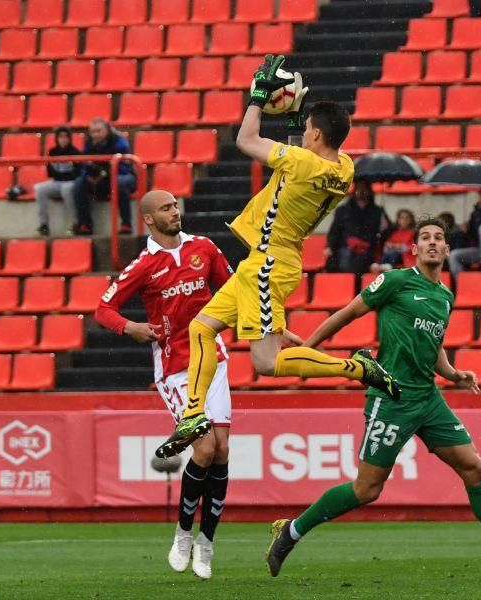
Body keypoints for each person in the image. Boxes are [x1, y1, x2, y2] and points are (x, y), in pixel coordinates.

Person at [264, 217, 481, 581]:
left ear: (447, 249)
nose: (432, 243)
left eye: (439, 239)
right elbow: (348, 313)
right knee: (366, 489)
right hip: (391, 396)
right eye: (425, 238)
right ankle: (290, 531)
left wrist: (453, 373)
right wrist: (307, 351)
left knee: (474, 467)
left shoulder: (445, 296)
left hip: (428, 398)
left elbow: (434, 349)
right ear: (414, 248)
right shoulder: (395, 281)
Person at [154, 55, 399, 460]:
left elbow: (246, 141)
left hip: (269, 263)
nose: (302, 134)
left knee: (266, 362)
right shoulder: (344, 168)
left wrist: (256, 99)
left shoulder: (303, 161)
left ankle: (356, 368)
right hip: (272, 260)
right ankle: (194, 414)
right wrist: (291, 124)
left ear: (317, 134)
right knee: (201, 328)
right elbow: (296, 168)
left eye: (306, 129)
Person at [94, 190, 234, 580]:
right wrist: (132, 327)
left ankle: (207, 544)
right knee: (203, 447)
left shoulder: (203, 248)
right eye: (166, 208)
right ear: (149, 220)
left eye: (176, 205)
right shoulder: (143, 265)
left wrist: (269, 327)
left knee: (221, 450)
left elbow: (233, 290)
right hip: (175, 366)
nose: (176, 212)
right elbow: (103, 309)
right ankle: (183, 533)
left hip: (215, 359)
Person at [73, 118, 137, 236]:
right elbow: (84, 164)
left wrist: (104, 174)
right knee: (79, 184)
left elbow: (125, 166)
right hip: (99, 180)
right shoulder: (88, 144)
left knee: (120, 183)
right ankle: (85, 225)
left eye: (99, 131)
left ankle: (126, 224)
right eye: (93, 132)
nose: (95, 135)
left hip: (122, 176)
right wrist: (88, 175)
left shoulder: (119, 142)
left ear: (107, 130)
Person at [325, 180, 389, 276]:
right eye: (359, 188)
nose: (361, 191)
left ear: (369, 191)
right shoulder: (343, 210)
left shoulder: (378, 211)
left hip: (368, 250)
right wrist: (329, 246)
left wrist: (386, 228)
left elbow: (387, 233)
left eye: (364, 188)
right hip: (345, 248)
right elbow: (334, 231)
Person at [34, 125, 81, 237]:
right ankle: (44, 224)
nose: (63, 139)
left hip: (70, 182)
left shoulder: (75, 152)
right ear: (56, 138)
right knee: (39, 188)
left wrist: (63, 175)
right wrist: (62, 175)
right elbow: (50, 173)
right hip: (57, 181)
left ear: (70, 138)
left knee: (66, 189)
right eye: (60, 137)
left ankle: (74, 223)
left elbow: (76, 174)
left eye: (66, 137)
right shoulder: (52, 152)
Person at [371, 208, 416, 273]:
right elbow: (389, 243)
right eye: (402, 218)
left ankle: (389, 265)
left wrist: (401, 247)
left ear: (411, 220)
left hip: (404, 257)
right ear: (398, 220)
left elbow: (413, 246)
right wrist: (389, 245)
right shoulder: (395, 233)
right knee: (388, 254)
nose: (404, 220)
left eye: (407, 218)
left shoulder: (413, 233)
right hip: (392, 253)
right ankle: (378, 264)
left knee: (395, 254)